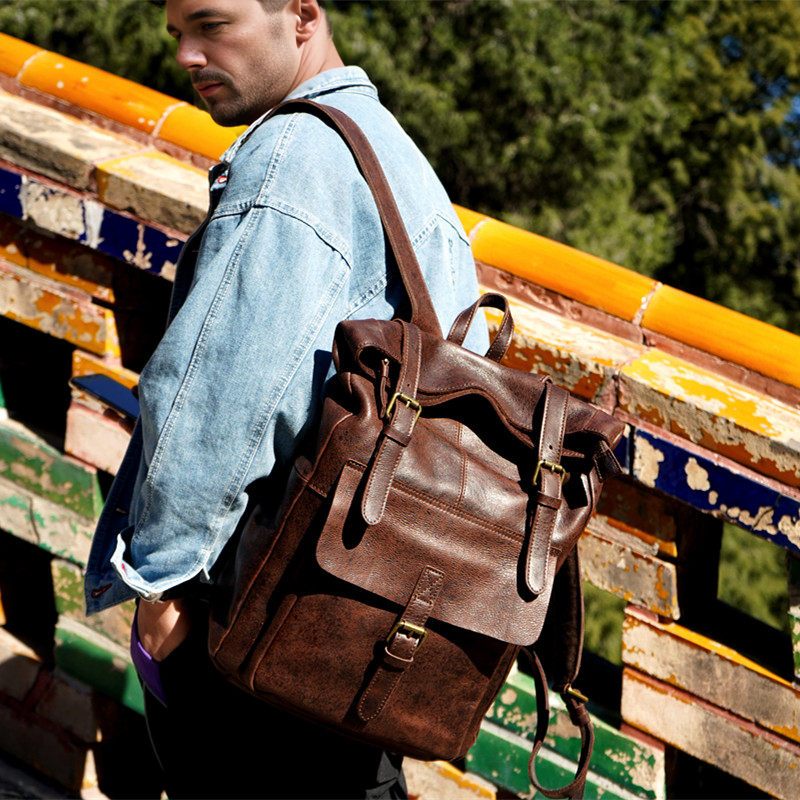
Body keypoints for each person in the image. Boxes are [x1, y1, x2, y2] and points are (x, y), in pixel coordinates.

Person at [84, 1, 487, 797]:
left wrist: (161, 583)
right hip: (359, 613)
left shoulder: (293, 156)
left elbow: (219, 395)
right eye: (177, 36)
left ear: (301, 14)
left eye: (213, 25)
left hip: (259, 611)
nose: (189, 55)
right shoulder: (397, 159)